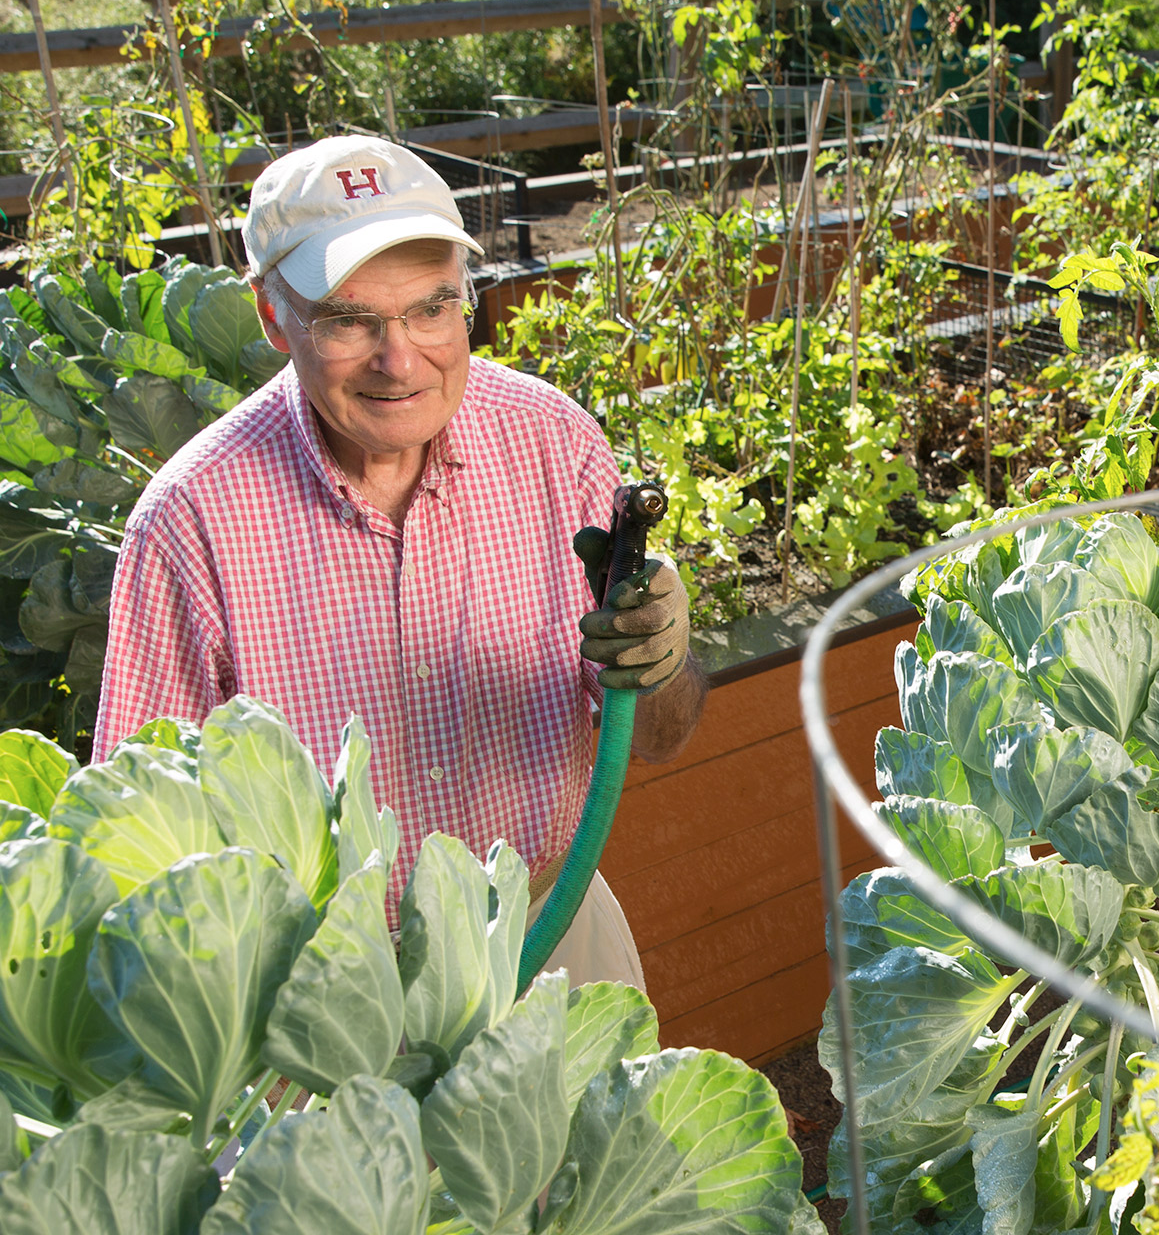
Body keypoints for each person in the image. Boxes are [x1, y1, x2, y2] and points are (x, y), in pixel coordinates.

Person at [98, 134, 705, 993]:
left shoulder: (552, 443)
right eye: (349, 319)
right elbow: (139, 825)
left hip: (550, 930)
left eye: (432, 309)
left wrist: (662, 662)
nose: (400, 358)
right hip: (320, 997)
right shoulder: (194, 517)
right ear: (273, 316)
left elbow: (657, 737)